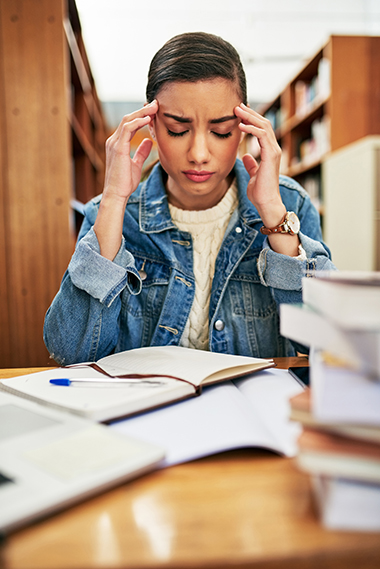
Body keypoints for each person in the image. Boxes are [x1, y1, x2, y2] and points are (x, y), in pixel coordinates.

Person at [43, 32, 334, 366]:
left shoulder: (290, 206)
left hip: (254, 414)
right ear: (150, 126)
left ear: (245, 126)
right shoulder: (108, 213)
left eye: (221, 131)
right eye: (178, 129)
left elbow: (326, 343)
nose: (199, 154)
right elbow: (70, 352)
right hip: (145, 412)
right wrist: (113, 201)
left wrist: (272, 213)